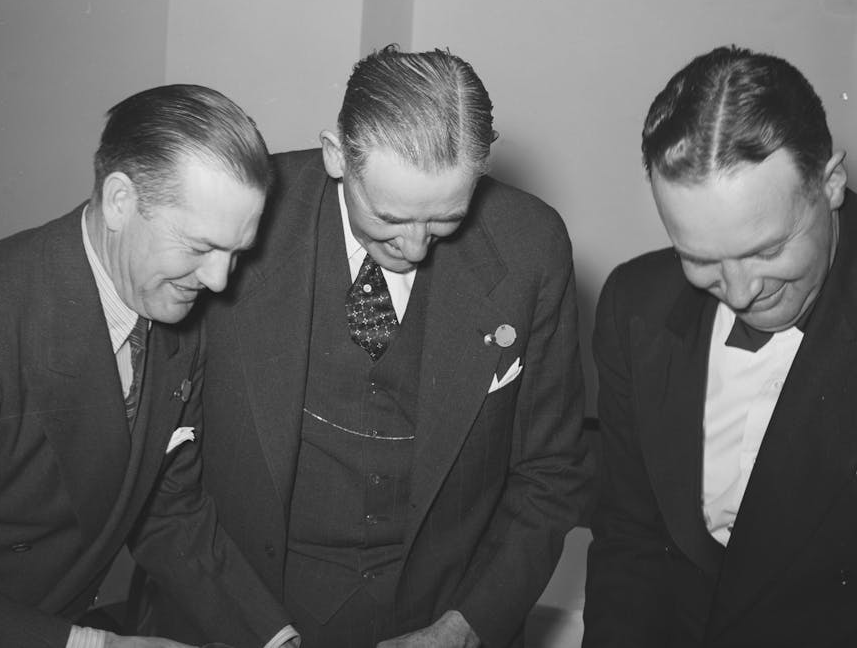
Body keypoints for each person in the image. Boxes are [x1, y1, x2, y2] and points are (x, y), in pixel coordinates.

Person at [148, 47, 592, 648]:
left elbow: (548, 472)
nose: (414, 247)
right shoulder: (237, 226)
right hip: (244, 613)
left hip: (438, 615)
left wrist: (465, 627)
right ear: (337, 156)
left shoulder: (529, 248)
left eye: (443, 221)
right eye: (388, 217)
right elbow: (166, 471)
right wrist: (260, 631)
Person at [0, 85, 299, 648]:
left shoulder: (170, 307)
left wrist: (272, 636)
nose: (219, 280)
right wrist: (95, 647)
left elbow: (169, 510)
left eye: (236, 252)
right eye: (199, 247)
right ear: (120, 201)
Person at [583, 46, 856, 647]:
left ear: (831, 184)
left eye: (766, 250)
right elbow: (629, 539)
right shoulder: (634, 303)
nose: (739, 292)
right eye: (700, 258)